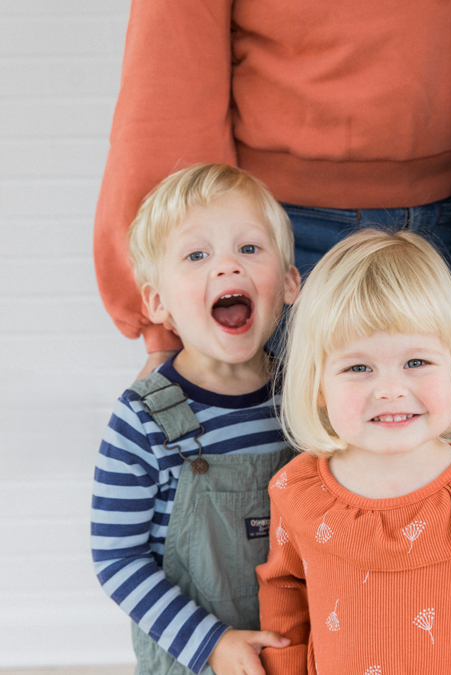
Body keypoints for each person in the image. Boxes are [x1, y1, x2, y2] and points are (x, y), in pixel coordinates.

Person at [94, 0, 451, 380]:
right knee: (276, 438)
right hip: (287, 227)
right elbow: (169, 64)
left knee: (449, 437)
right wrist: (168, 331)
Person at [256, 229, 451, 675]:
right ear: (317, 384)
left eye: (416, 362)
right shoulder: (298, 494)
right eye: (358, 367)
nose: (391, 390)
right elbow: (285, 609)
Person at [91, 164, 302, 675]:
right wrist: (212, 643)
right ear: (158, 302)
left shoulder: (305, 398)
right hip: (193, 660)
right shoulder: (142, 419)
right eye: (197, 255)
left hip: (299, 648)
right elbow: (116, 559)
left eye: (249, 249)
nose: (228, 267)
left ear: (291, 282)